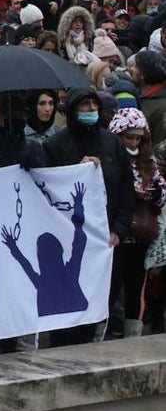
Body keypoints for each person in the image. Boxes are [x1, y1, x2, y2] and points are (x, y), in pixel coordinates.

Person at [42, 88, 133, 346]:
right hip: (69, 240)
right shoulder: (55, 145)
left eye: (95, 105)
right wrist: (74, 170)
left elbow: (126, 187)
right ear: (72, 111)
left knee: (101, 301)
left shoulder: (112, 142)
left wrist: (119, 229)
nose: (91, 110)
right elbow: (46, 190)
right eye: (85, 106)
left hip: (106, 241)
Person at [108, 108, 165, 339]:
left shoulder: (148, 159)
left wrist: (150, 194)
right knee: (110, 289)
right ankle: (100, 334)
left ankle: (133, 338)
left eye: (137, 137)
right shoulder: (109, 156)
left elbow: (162, 191)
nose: (133, 141)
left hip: (140, 235)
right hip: (114, 233)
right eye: (128, 136)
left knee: (135, 289)